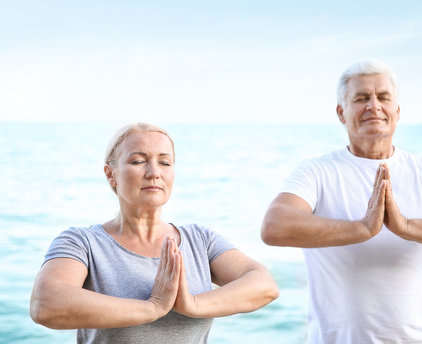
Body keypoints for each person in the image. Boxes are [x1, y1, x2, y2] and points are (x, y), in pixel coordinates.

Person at [261, 60, 422, 344]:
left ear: (397, 111)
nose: (374, 106)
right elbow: (274, 226)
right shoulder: (316, 172)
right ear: (341, 112)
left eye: (384, 98)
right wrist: (363, 228)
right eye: (361, 98)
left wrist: (405, 226)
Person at [31, 122, 279, 344]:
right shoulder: (82, 243)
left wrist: (192, 304)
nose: (154, 172)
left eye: (164, 162)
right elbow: (46, 305)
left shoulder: (200, 240)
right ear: (111, 174)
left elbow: (264, 286)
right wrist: (152, 307)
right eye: (138, 161)